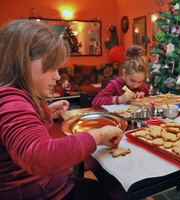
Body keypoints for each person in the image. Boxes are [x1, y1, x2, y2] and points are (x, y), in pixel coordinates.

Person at [0, 19, 124, 200]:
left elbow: (20, 134)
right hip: (44, 194)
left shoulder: (13, 98)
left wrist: (44, 113)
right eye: (52, 66)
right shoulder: (10, 100)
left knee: (106, 189)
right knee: (115, 192)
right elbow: (41, 157)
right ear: (23, 62)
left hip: (53, 185)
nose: (57, 76)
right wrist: (99, 134)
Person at [92, 45, 150, 109]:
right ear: (124, 73)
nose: (135, 85)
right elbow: (95, 102)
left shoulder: (144, 87)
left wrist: (143, 99)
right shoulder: (115, 85)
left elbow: (148, 106)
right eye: (132, 80)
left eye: (140, 81)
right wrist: (119, 99)